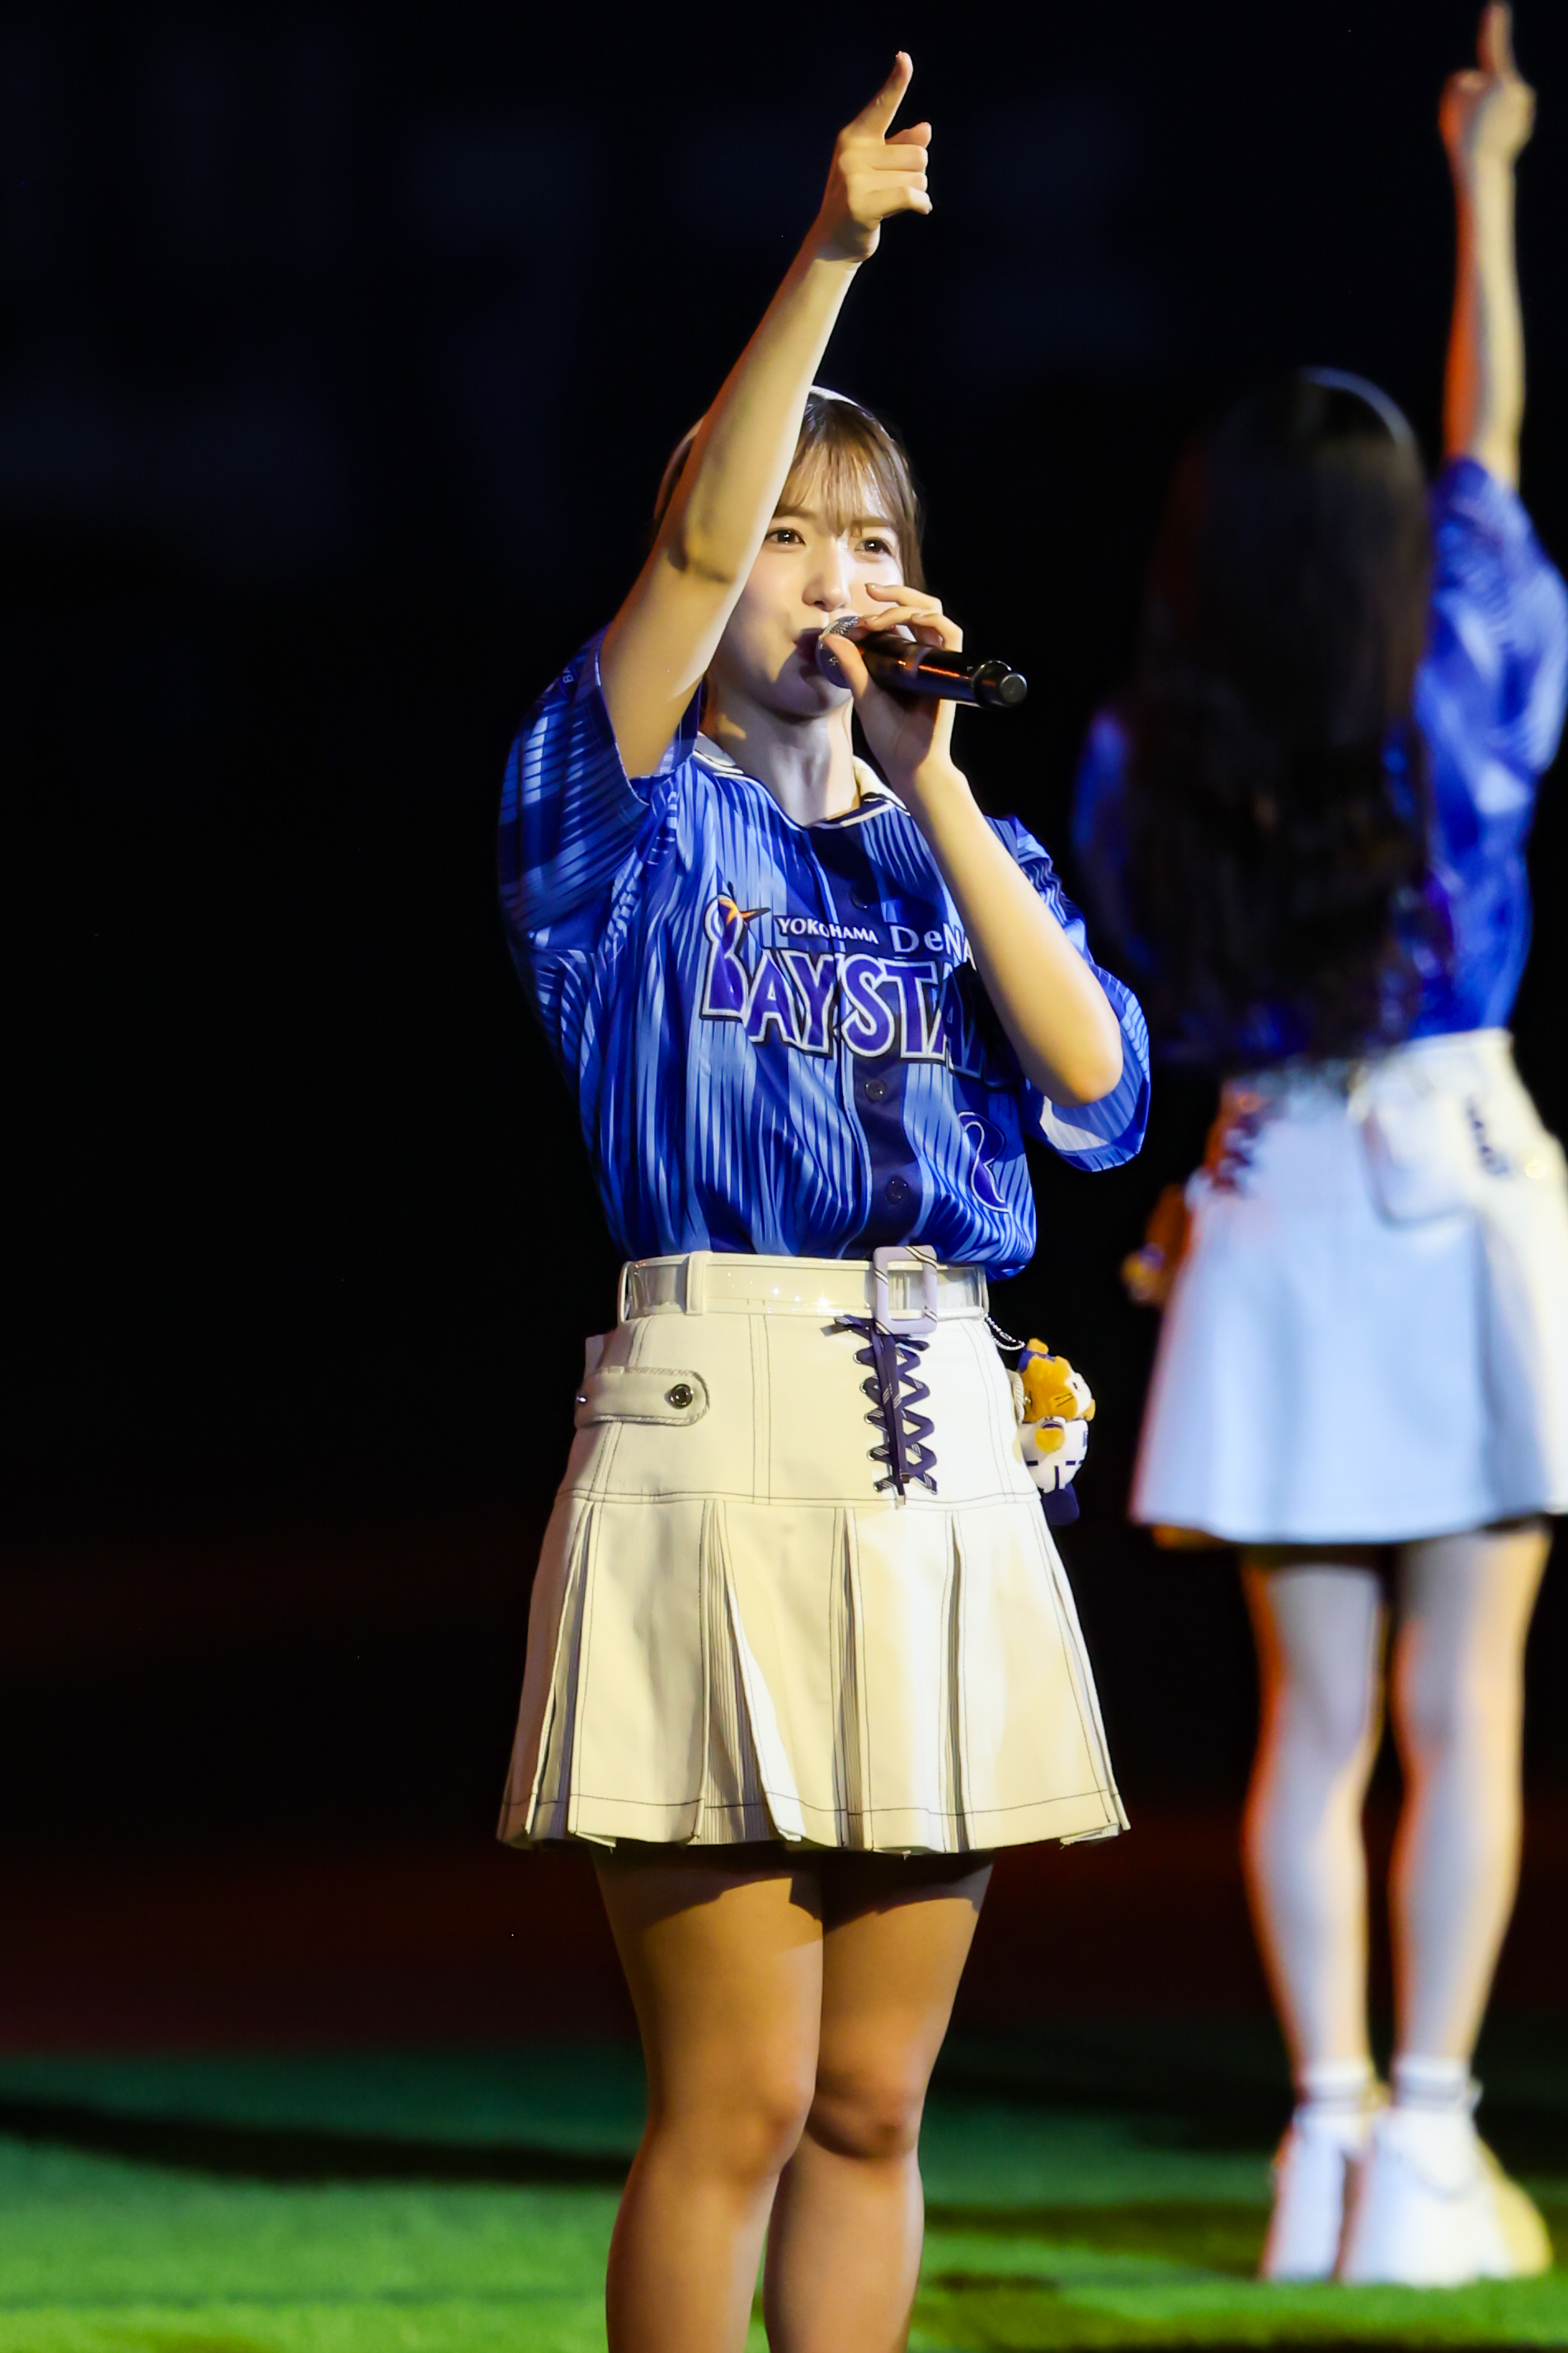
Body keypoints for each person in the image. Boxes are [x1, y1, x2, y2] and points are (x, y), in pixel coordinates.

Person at [493, 54, 1150, 2353]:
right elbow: (688, 559)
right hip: (720, 1417)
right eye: (796, 531)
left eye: (873, 540)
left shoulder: (961, 847)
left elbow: (1098, 1083)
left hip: (941, 1434)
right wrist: (836, 250)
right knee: (743, 2099)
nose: (835, 575)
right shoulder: (623, 817)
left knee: (872, 2102)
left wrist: (934, 786)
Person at [1074, 4, 1567, 2291]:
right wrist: (1484, 183)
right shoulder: (1461, 675)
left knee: (1315, 1722)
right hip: (1448, 1183)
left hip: (1266, 1198)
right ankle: (1430, 2157)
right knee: (1465, 1711)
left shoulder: (1149, 751)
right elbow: (1491, 455)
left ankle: (1326, 2136)